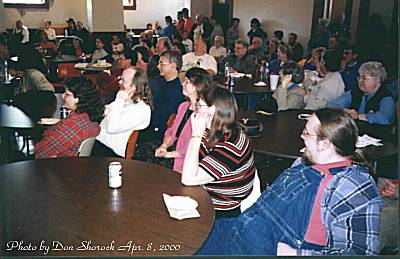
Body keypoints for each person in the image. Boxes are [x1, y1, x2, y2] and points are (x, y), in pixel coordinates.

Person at [197, 108, 382, 255]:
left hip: (262, 248)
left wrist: (296, 254)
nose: (301, 136)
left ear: (325, 143)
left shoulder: (353, 186)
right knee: (185, 234)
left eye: (306, 133)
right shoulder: (302, 162)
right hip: (240, 229)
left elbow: (361, 251)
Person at [181, 86, 256, 218]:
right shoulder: (212, 131)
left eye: (200, 105)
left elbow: (188, 178)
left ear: (215, 110)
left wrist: (196, 135)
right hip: (205, 194)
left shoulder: (232, 145)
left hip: (222, 210)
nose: (195, 109)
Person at [155, 67, 213, 173]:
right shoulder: (183, 106)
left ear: (197, 86)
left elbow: (196, 144)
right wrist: (164, 146)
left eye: (186, 82)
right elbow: (172, 132)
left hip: (188, 159)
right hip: (174, 150)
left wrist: (169, 154)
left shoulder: (203, 113)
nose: (182, 84)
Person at [35, 76, 104, 159]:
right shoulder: (89, 118)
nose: (62, 96)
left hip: (58, 166)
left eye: (67, 94)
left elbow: (40, 153)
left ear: (78, 99)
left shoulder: (75, 124)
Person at [92, 68, 152, 157]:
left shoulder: (140, 109)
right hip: (99, 142)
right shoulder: (129, 100)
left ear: (134, 86)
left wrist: (119, 100)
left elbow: (112, 127)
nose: (119, 82)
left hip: (109, 152)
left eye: (123, 80)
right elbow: (104, 110)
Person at [328, 62, 396, 125]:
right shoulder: (354, 93)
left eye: (364, 78)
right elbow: (330, 105)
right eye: (359, 77)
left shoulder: (386, 98)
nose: (360, 81)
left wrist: (358, 116)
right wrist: (346, 111)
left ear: (378, 80)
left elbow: (385, 118)